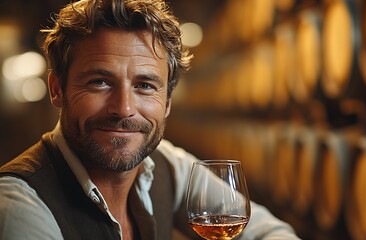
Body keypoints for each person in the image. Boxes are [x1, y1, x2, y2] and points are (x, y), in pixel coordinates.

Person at [0, 0, 299, 239]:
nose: (124, 108)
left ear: (167, 102)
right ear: (57, 91)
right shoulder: (20, 208)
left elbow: (268, 231)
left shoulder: (165, 163)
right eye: (99, 82)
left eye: (144, 85)